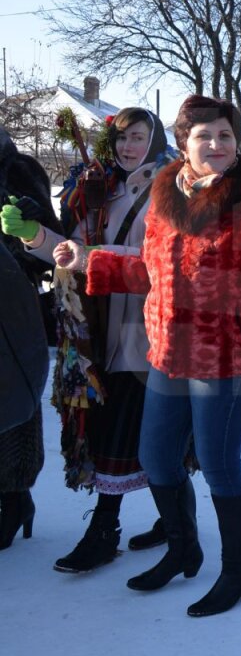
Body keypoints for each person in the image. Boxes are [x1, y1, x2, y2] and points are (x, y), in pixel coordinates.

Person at [77, 94, 241, 616]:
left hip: (230, 357)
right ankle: (183, 549)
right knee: (157, 458)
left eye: (226, 135)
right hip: (168, 352)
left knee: (221, 466)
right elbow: (153, 271)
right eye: (206, 136)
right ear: (184, 143)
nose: (217, 144)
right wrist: (90, 261)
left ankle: (239, 570)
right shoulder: (164, 194)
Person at [11, 108, 176, 572]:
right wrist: (35, 237)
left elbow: (160, 260)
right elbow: (71, 253)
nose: (128, 147)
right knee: (140, 432)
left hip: (145, 332)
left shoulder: (169, 192)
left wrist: (93, 257)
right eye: (122, 138)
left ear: (155, 140)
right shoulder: (102, 190)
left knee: (122, 430)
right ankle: (174, 518)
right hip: (98, 331)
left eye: (138, 137)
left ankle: (104, 529)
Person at [0, 126, 61, 549]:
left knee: (11, 397)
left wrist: (27, 224)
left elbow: (50, 242)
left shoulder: (17, 168)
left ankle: (15, 497)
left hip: (10, 305)